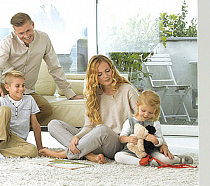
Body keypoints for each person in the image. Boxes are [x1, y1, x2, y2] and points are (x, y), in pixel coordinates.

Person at [40, 54, 173, 163]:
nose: (105, 76)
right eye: (99, 74)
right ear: (94, 77)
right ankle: (90, 156)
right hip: (97, 140)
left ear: (112, 69)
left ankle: (63, 154)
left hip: (118, 142)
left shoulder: (127, 90)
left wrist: (163, 144)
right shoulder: (93, 94)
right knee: (53, 125)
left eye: (107, 71)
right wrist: (77, 136)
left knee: (102, 129)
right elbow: (88, 127)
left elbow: (147, 118)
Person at [0, 12, 83, 125]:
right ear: (14, 31)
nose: (26, 35)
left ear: (33, 24)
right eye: (21, 33)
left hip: (27, 91)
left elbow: (54, 68)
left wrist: (70, 94)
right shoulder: (7, 42)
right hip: (6, 88)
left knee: (45, 110)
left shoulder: (44, 39)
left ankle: (14, 131)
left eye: (28, 30)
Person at [0, 70, 44, 160]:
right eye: (17, 86)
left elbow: (35, 125)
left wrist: (40, 148)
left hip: (19, 142)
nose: (21, 89)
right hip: (2, 138)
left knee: (33, 151)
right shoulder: (2, 100)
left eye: (23, 85)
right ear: (7, 87)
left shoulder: (30, 100)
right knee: (4, 109)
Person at [115, 90, 193, 166]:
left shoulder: (155, 123)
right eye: (143, 110)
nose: (146, 114)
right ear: (137, 105)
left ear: (155, 111)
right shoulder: (130, 121)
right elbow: (121, 138)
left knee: (165, 160)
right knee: (118, 156)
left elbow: (160, 140)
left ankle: (179, 159)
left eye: (150, 112)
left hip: (151, 152)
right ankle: (142, 162)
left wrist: (154, 140)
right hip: (132, 151)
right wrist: (128, 139)